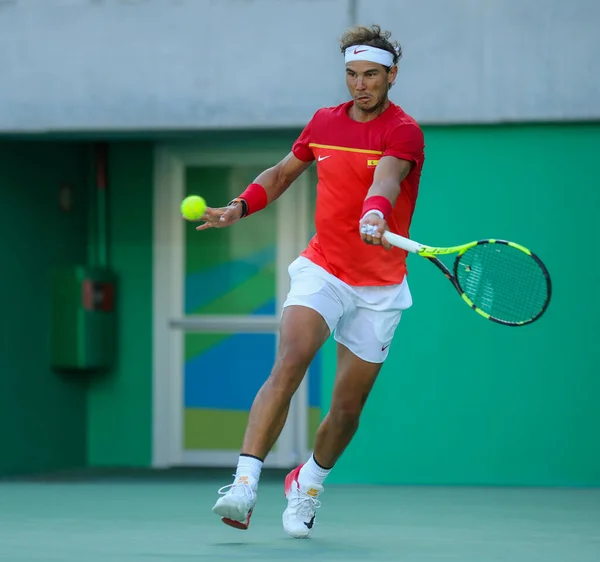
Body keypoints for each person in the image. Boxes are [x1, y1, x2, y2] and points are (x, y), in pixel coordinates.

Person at [188, 24, 425, 538]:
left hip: (379, 286)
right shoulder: (323, 122)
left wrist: (376, 212)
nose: (360, 85)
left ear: (391, 76)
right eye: (352, 75)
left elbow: (386, 179)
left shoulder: (403, 130)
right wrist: (237, 208)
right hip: (324, 268)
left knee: (346, 408)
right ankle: (244, 485)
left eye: (371, 75)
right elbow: (279, 173)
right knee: (290, 361)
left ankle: (309, 483)